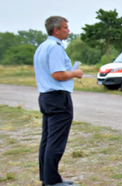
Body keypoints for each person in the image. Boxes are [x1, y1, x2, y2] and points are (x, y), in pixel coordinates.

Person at [34, 16, 83, 186]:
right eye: (65, 27)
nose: (68, 30)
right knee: (56, 142)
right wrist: (75, 73)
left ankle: (48, 178)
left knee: (47, 140)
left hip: (46, 96)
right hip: (58, 98)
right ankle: (52, 182)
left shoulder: (42, 47)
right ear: (56, 30)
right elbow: (58, 74)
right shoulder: (55, 48)